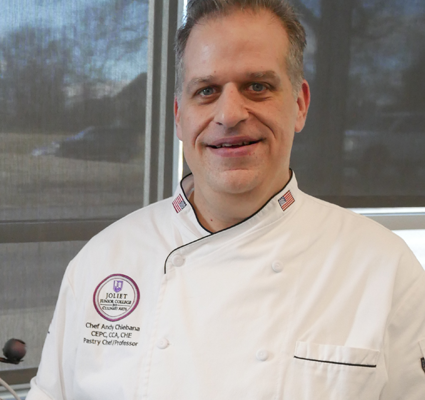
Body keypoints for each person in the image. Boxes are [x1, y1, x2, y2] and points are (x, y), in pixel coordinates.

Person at [26, 0, 425, 398]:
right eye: (207, 90)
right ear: (180, 116)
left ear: (300, 105)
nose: (230, 113)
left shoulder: (385, 269)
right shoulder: (102, 261)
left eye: (258, 86)